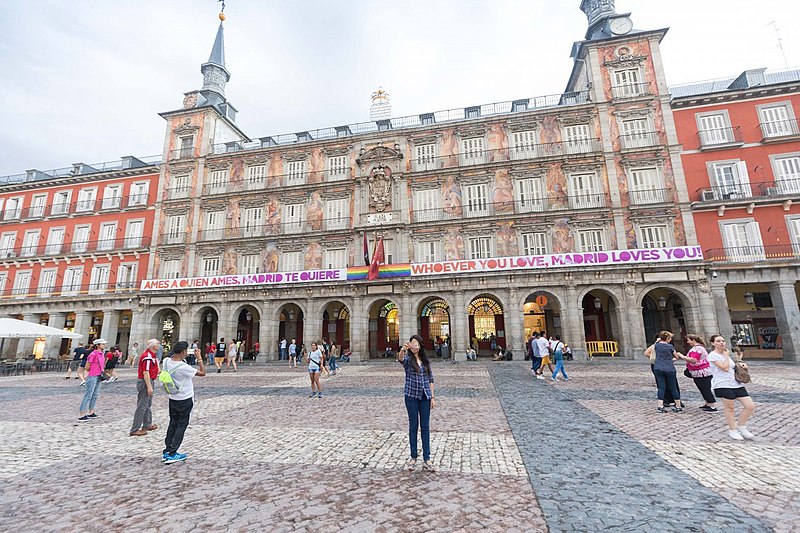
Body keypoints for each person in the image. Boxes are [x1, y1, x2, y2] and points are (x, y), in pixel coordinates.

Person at [161, 341, 206, 464]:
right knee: (182, 425)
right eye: (186, 351)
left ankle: (167, 450)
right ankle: (173, 453)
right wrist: (200, 359)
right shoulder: (183, 367)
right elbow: (202, 373)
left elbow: (171, 358)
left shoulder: (166, 361)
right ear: (183, 352)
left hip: (173, 398)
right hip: (184, 399)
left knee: (173, 423)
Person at [397, 334, 436, 472]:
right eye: (412, 343)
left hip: (425, 397)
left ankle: (427, 458)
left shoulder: (425, 361)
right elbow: (400, 359)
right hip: (411, 397)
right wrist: (402, 350)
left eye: (416, 344)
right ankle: (413, 457)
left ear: (420, 345)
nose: (414, 346)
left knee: (425, 427)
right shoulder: (408, 359)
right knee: (413, 426)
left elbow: (431, 379)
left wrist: (432, 397)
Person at [708, 334, 755, 440]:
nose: (722, 343)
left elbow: (731, 368)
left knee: (750, 406)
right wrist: (725, 356)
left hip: (736, 384)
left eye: (723, 341)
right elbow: (724, 368)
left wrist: (741, 365)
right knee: (730, 408)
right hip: (722, 384)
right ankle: (732, 430)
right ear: (713, 343)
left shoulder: (726, 354)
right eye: (718, 341)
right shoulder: (713, 355)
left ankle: (741, 426)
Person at [678, 334, 717, 412]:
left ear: (693, 340)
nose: (688, 342)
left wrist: (682, 356)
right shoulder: (698, 348)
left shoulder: (697, 348)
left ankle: (712, 405)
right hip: (698, 372)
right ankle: (708, 403)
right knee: (702, 388)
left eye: (689, 340)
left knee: (705, 388)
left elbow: (693, 359)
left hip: (702, 372)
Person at [130, 339, 160, 436]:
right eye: (157, 344)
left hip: (150, 380)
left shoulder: (152, 355)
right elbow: (145, 372)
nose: (159, 346)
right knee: (142, 405)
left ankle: (147, 423)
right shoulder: (147, 356)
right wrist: (149, 386)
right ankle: (135, 429)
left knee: (148, 403)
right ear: (154, 346)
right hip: (145, 382)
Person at [653, 331, 684, 413]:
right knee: (673, 387)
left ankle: (660, 406)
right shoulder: (670, 346)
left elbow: (655, 344)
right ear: (668, 338)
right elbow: (676, 356)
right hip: (669, 368)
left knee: (661, 387)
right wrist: (672, 360)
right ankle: (678, 406)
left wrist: (658, 340)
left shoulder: (657, 345)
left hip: (658, 367)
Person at [78, 339, 108, 421]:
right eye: (103, 344)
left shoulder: (102, 354)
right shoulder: (93, 354)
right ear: (97, 345)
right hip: (92, 375)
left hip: (99, 375)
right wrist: (92, 371)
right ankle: (82, 414)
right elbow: (87, 366)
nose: (104, 345)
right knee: (88, 395)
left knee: (95, 395)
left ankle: (91, 412)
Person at [645, 335, 675, 406]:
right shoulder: (656, 346)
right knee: (666, 384)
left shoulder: (665, 346)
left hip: (659, 365)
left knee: (665, 384)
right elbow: (646, 353)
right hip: (663, 366)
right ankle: (667, 400)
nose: (670, 340)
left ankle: (671, 400)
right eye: (669, 338)